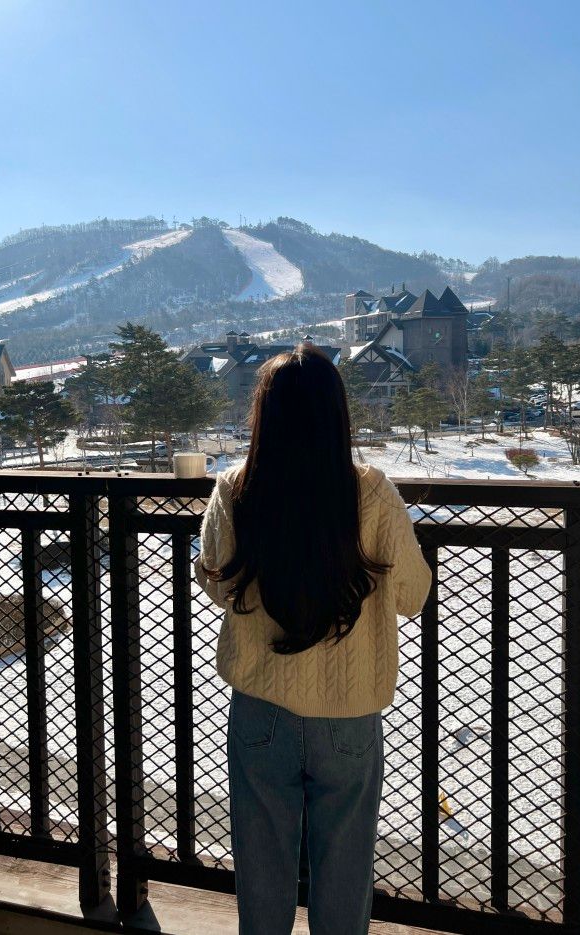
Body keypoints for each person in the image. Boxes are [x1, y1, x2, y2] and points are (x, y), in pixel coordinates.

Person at [194, 344, 432, 935]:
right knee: (345, 868)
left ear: (263, 415)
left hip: (260, 709)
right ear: (337, 415)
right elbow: (410, 594)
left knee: (262, 866)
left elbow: (220, 585)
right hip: (349, 712)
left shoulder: (235, 487)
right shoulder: (371, 492)